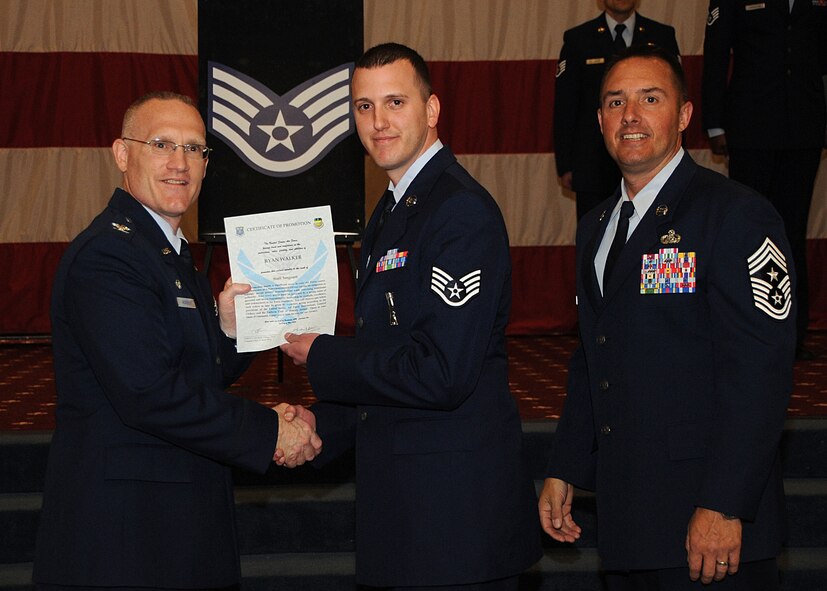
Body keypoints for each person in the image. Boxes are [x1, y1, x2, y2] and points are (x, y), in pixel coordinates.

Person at [33, 91, 321, 590]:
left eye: (195, 149)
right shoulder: (109, 256)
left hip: (174, 517)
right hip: (125, 536)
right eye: (162, 144)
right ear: (123, 154)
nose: (180, 163)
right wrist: (269, 429)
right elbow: (149, 393)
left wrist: (228, 331)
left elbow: (191, 371)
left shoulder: (166, 251)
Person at [280, 43, 541, 589]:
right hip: (410, 511)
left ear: (432, 109)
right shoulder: (397, 206)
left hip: (455, 522)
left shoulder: (458, 211)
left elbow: (440, 372)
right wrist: (319, 422)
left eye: (395, 102)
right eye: (363, 107)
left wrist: (323, 355)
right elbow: (390, 361)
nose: (378, 122)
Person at [538, 46, 795, 590]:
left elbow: (761, 374)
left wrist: (724, 505)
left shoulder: (736, 214)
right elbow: (593, 356)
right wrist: (566, 464)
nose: (630, 115)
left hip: (710, 527)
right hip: (628, 520)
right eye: (615, 102)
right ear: (601, 120)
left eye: (649, 99)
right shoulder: (596, 226)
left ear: (683, 115)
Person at [701, 0, 827, 360]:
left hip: (803, 128)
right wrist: (715, 123)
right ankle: (746, 328)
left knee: (792, 231)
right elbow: (716, 55)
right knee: (749, 233)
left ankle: (792, 333)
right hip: (750, 129)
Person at [554, 0, 680, 221]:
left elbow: (675, 103)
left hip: (652, 161)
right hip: (593, 164)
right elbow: (565, 105)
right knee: (596, 238)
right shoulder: (578, 39)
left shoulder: (661, 35)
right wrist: (565, 164)